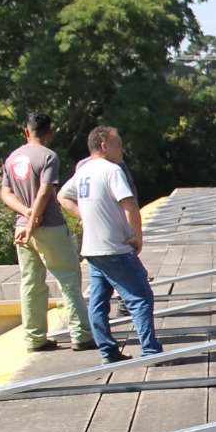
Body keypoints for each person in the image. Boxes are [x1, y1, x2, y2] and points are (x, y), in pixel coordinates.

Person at [59, 127, 162, 364]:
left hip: (92, 249)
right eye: (118, 145)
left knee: (98, 301)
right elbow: (130, 205)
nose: (122, 150)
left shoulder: (83, 171)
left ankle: (107, 351)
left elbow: (63, 196)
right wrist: (137, 236)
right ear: (104, 145)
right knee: (140, 297)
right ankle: (150, 350)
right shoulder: (112, 170)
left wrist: (82, 215)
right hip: (114, 247)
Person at [0, 112, 95, 353]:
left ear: (26, 131)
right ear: (49, 133)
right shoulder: (49, 156)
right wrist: (35, 219)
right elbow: (44, 192)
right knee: (68, 279)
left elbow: (5, 193)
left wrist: (26, 213)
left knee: (31, 283)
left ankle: (34, 338)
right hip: (48, 226)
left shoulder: (12, 158)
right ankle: (80, 335)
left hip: (22, 228)